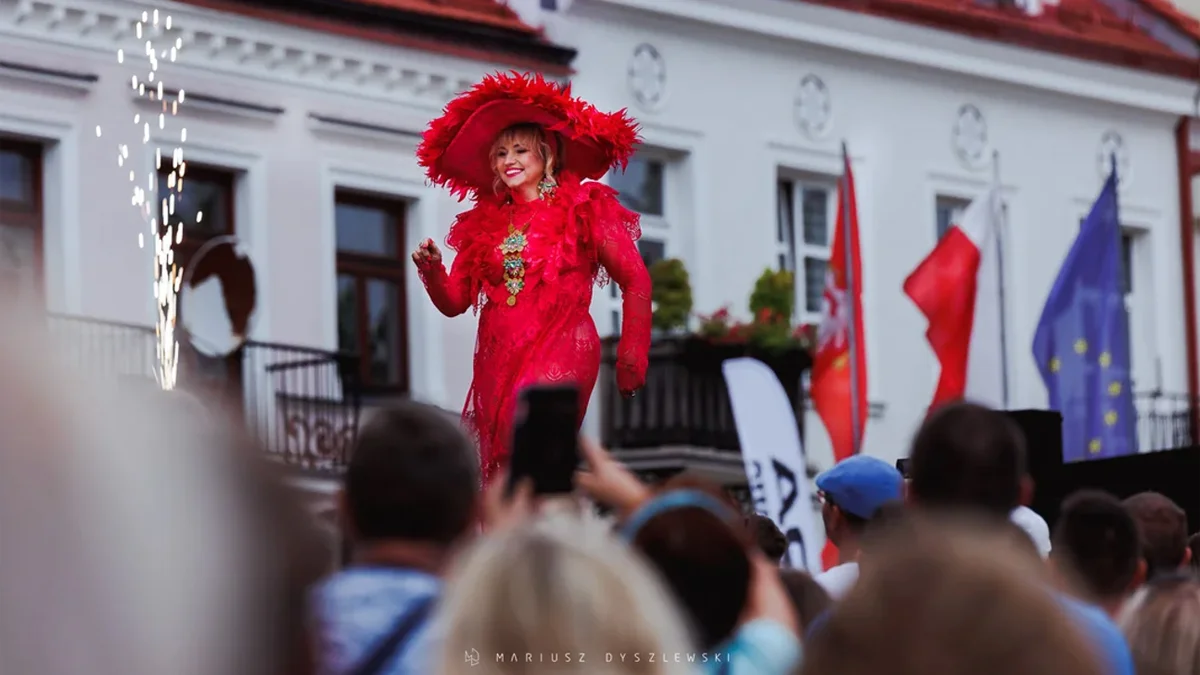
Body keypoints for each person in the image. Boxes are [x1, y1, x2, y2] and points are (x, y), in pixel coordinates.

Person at [412, 72, 652, 483]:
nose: (510, 161)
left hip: (562, 342)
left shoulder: (585, 206)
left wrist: (631, 361)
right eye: (502, 153)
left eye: (521, 150)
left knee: (531, 441)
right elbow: (454, 302)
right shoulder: (484, 224)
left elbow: (635, 280)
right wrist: (432, 268)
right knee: (502, 470)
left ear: (547, 155)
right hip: (499, 356)